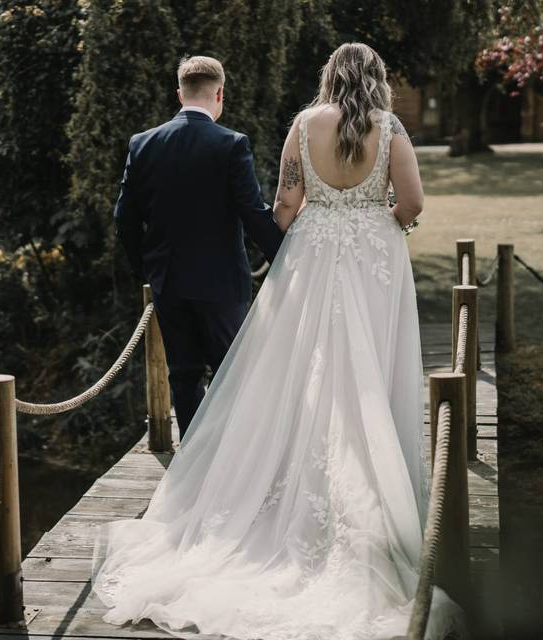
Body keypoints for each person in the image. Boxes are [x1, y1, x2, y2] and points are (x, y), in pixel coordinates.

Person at [93, 43, 468, 639]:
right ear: (376, 79)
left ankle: (273, 481)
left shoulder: (303, 123)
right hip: (373, 260)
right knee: (367, 370)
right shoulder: (389, 127)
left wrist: (307, 227)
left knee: (298, 367)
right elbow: (413, 202)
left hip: (312, 258)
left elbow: (286, 205)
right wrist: (378, 224)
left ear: (328, 76)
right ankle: (375, 490)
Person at [113, 55, 285, 440]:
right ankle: (233, 460)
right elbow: (253, 214)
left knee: (184, 375)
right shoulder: (231, 144)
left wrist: (146, 268)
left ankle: (193, 460)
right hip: (221, 284)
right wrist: (287, 257)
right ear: (220, 93)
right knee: (232, 374)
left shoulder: (143, 144)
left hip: (168, 282)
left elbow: (124, 217)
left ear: (179, 94)